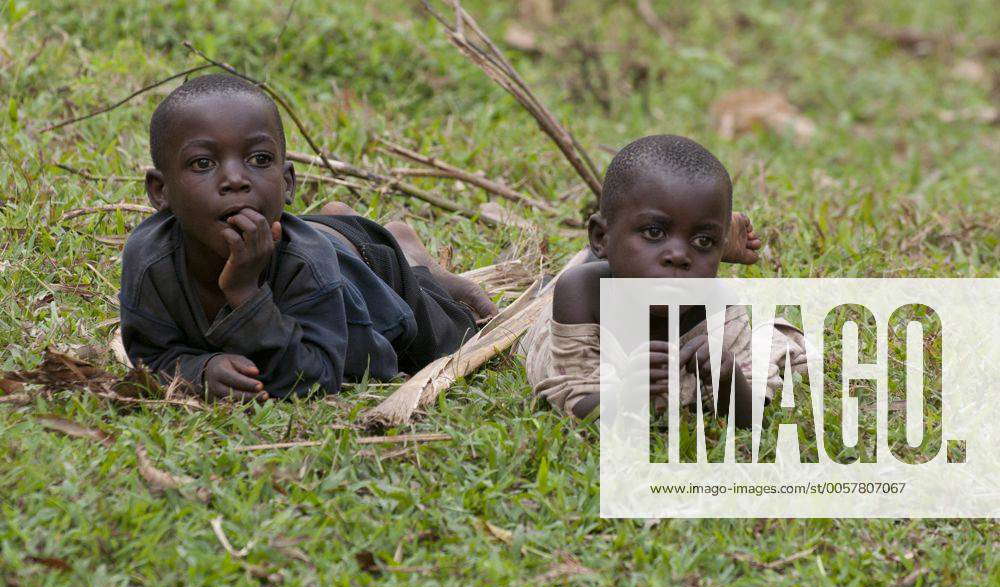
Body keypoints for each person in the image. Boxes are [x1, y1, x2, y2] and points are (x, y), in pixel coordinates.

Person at [119, 73, 496, 401]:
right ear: (160, 191)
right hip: (323, 240)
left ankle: (411, 260)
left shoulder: (307, 266)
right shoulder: (150, 259)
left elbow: (315, 378)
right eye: (203, 163)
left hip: (363, 274)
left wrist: (246, 293)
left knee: (451, 342)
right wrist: (200, 370)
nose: (236, 179)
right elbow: (149, 356)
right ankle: (341, 223)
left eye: (259, 160)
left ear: (286, 183)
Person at [521, 134, 805, 422]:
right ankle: (686, 234)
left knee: (634, 257)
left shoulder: (720, 310)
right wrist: (625, 396)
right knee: (546, 296)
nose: (679, 256)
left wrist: (727, 375)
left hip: (627, 264)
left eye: (704, 241)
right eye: (654, 232)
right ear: (599, 236)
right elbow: (577, 404)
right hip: (575, 306)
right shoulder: (581, 293)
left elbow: (749, 417)